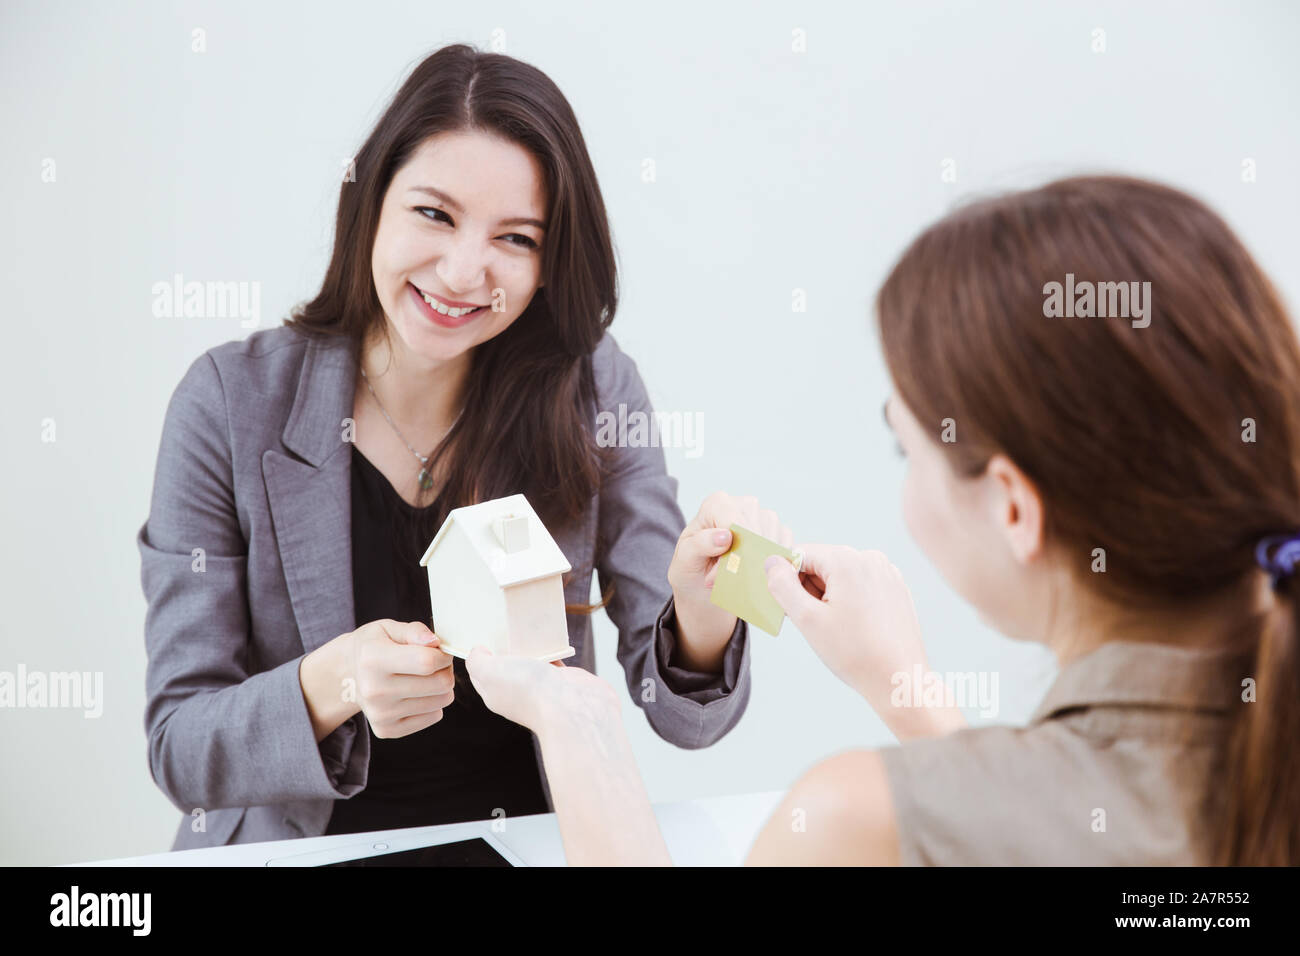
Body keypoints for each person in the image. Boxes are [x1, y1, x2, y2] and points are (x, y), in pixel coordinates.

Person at [467, 175, 1300, 865]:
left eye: (909, 449)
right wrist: (905, 688)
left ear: (1012, 507)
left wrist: (577, 719)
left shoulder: (854, 822)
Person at [137, 44, 788, 850]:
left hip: (532, 843)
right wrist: (334, 682)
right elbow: (179, 745)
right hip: (307, 850)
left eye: (516, 238)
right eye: (434, 214)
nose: (462, 271)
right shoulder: (230, 403)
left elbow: (687, 720)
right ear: (371, 202)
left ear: (550, 263)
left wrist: (701, 609)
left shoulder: (592, 389)